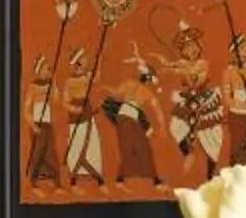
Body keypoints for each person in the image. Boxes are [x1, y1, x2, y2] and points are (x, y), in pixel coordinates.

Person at [162, 24, 227, 180]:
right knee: (175, 128)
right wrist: (167, 65)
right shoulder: (182, 64)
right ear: (182, 51)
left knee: (212, 137)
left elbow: (194, 74)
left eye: (193, 46)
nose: (191, 50)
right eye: (187, 47)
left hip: (204, 100)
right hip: (187, 100)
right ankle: (187, 150)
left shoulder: (202, 63)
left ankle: (211, 173)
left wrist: (177, 68)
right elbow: (170, 68)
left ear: (198, 47)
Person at [102, 50, 162, 185]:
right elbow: (157, 110)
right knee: (139, 147)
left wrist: (106, 89)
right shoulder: (142, 89)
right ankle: (151, 178)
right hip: (127, 118)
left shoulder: (133, 86)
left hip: (125, 117)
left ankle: (122, 178)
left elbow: (115, 94)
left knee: (131, 147)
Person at [60, 46, 105, 187]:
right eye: (82, 61)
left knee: (92, 142)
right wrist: (74, 108)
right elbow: (64, 102)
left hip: (88, 112)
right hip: (76, 116)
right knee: (77, 143)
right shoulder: (69, 82)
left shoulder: (87, 77)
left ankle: (95, 174)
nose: (84, 63)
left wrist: (100, 59)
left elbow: (97, 76)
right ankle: (74, 174)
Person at [222, 33, 246, 166]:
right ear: (236, 52)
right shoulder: (229, 71)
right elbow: (227, 98)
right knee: (238, 142)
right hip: (236, 113)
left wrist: (243, 72)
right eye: (243, 48)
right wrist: (240, 104)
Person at [25, 53, 61, 187]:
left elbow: (56, 100)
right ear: (39, 70)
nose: (49, 71)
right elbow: (26, 109)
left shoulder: (50, 85)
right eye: (47, 68)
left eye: (49, 69)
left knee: (50, 151)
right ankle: (32, 180)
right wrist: (32, 124)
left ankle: (54, 180)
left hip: (47, 123)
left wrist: (55, 82)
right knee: (38, 151)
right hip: (37, 123)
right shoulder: (33, 87)